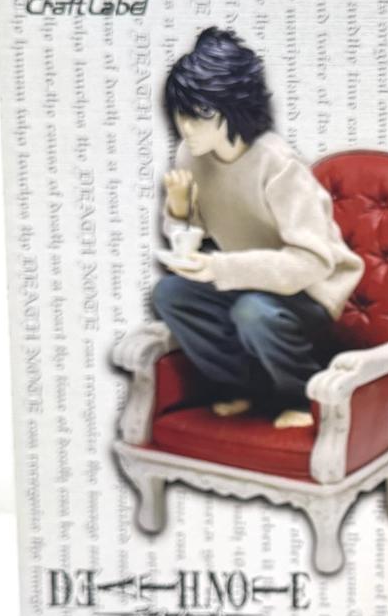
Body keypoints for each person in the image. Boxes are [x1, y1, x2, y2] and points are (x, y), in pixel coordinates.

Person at [153, 27, 364, 428]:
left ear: (233, 107)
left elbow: (312, 262)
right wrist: (179, 212)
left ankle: (303, 398)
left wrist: (219, 268)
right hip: (248, 281)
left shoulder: (278, 164)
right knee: (172, 294)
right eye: (181, 114)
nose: (186, 128)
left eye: (200, 115)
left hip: (310, 290)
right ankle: (242, 387)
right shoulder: (191, 155)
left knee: (253, 312)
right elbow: (196, 235)